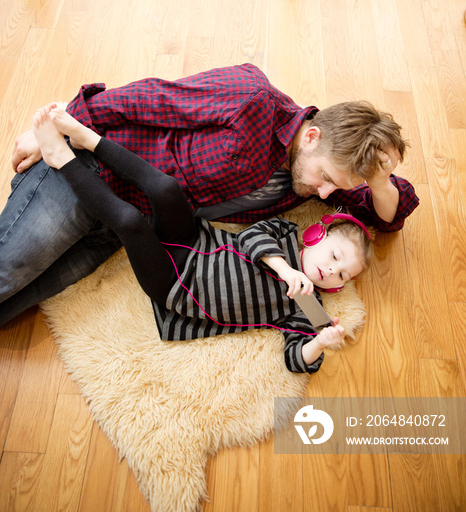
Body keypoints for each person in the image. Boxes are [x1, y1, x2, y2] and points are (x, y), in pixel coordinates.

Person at [0, 64, 418, 326]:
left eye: (337, 188)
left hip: (118, 228)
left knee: (16, 303)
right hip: (88, 172)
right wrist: (59, 126)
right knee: (5, 276)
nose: (324, 193)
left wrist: (378, 181)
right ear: (311, 136)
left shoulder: (316, 180)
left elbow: (386, 220)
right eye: (325, 177)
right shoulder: (252, 97)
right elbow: (148, 98)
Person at [31, 105, 375, 374]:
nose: (332, 271)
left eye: (342, 274)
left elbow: (296, 359)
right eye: (334, 256)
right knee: (165, 188)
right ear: (315, 235)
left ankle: (61, 159)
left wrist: (320, 341)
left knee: (130, 222)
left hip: (177, 288)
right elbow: (252, 239)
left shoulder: (308, 306)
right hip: (195, 242)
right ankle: (88, 138)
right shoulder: (284, 235)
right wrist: (285, 270)